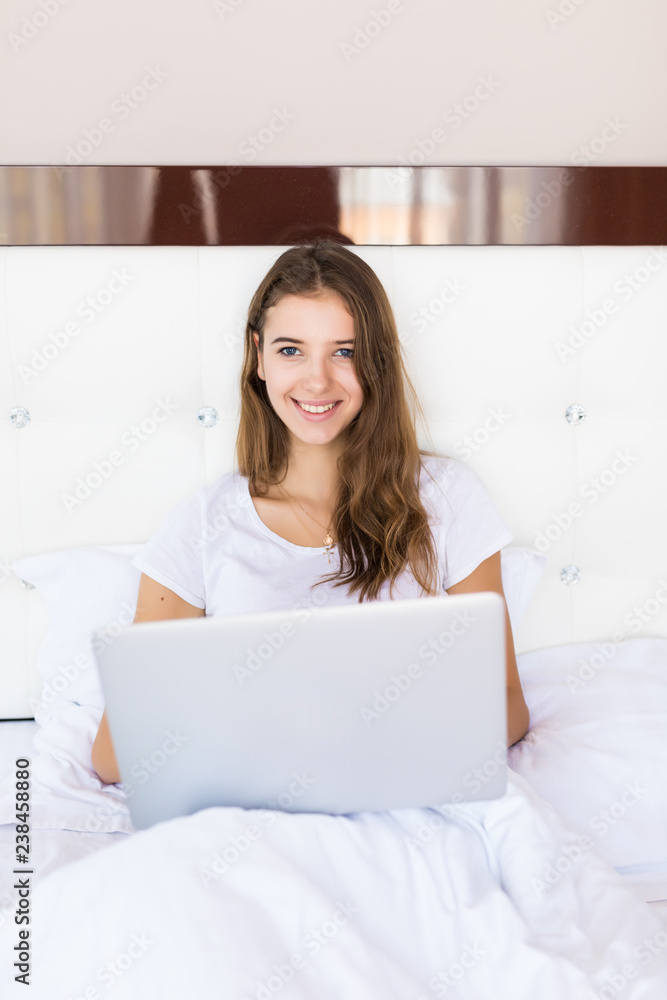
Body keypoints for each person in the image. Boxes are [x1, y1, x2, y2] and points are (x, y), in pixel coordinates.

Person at [91, 241, 529, 784]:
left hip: (401, 793)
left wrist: (390, 736)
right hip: (256, 804)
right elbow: (113, 755)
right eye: (291, 350)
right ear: (258, 356)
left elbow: (508, 704)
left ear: (376, 360)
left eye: (343, 352)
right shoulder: (200, 527)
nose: (317, 381)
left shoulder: (449, 496)